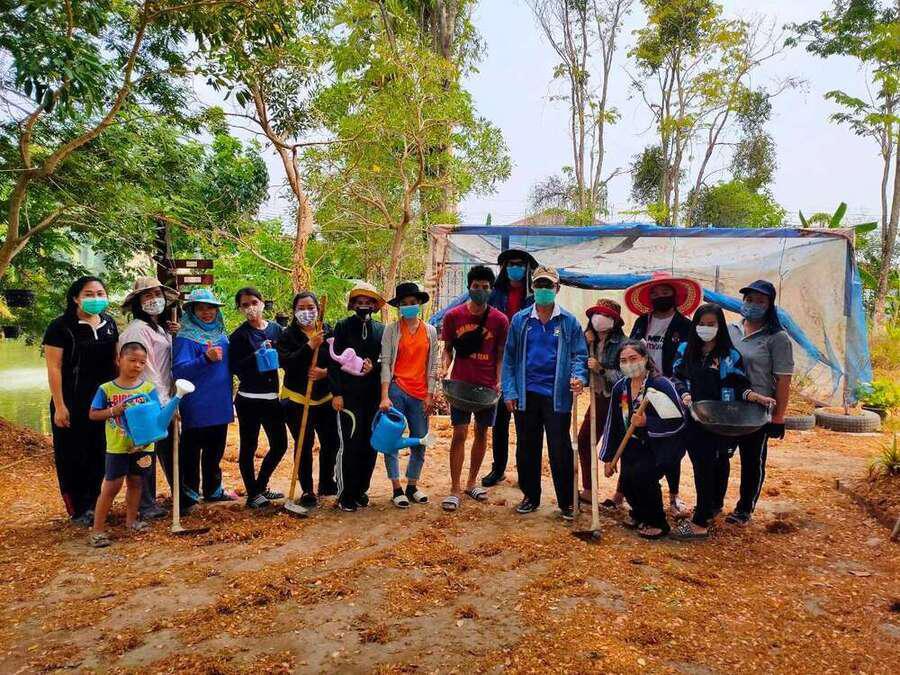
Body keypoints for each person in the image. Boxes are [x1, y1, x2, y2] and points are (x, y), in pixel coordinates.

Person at [670, 304, 774, 539]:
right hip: (695, 417)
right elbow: (676, 377)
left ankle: (700, 522)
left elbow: (739, 385)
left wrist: (755, 397)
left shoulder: (729, 355)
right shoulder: (686, 350)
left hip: (721, 420)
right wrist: (684, 394)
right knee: (702, 465)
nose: (705, 328)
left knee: (715, 464)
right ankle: (708, 509)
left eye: (711, 324)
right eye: (701, 324)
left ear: (720, 327)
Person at [501, 265, 587, 520]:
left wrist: (579, 377)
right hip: (526, 394)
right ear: (533, 288)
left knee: (560, 448)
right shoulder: (520, 320)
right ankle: (530, 496)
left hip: (557, 396)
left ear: (557, 288)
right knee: (527, 447)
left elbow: (579, 355)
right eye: (539, 284)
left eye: (548, 285)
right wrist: (509, 391)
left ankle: (567, 501)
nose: (543, 289)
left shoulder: (569, 321)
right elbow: (509, 358)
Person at [43, 276, 119, 526]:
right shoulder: (60, 327)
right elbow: (54, 367)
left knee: (101, 451)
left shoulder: (109, 323)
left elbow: (116, 360)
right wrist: (60, 405)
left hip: (103, 402)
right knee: (73, 455)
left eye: (100, 293)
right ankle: (78, 508)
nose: (95, 298)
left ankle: (97, 503)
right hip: (72, 401)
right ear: (75, 298)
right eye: (89, 294)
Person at [625, 272, 700, 517]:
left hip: (670, 389)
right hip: (641, 386)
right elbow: (630, 348)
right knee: (637, 437)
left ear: (675, 295)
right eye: (655, 293)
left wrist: (676, 384)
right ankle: (625, 492)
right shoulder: (641, 322)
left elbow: (687, 360)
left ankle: (674, 495)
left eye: (665, 292)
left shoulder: (685, 326)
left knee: (669, 440)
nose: (660, 296)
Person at [599, 340, 686, 539]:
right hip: (632, 444)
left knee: (642, 476)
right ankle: (639, 513)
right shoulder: (620, 388)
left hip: (661, 445)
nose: (629, 364)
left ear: (645, 358)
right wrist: (608, 457)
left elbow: (679, 420)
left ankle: (657, 522)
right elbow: (613, 423)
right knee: (628, 481)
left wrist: (649, 422)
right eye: (623, 361)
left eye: (633, 358)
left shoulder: (660, 385)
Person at [439, 265, 509, 512]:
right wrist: (445, 368)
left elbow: (500, 354)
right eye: (476, 286)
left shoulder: (500, 320)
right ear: (469, 287)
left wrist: (499, 380)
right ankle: (455, 488)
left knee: (482, 432)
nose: (480, 290)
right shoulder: (453, 316)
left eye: (485, 287)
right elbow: (447, 349)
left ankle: (471, 483)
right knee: (459, 433)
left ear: (491, 289)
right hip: (460, 384)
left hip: (487, 386)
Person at [725, 280, 793, 526]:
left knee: (752, 459)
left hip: (758, 410)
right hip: (727, 406)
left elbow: (784, 380)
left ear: (770, 305)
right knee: (720, 456)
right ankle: (713, 502)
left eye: (760, 301)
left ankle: (744, 508)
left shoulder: (777, 338)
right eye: (749, 299)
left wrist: (778, 417)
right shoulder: (731, 330)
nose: (753, 304)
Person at [119, 277, 181, 520]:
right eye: (147, 295)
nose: (154, 299)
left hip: (163, 395)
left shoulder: (159, 327)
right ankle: (145, 505)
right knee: (146, 451)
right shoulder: (137, 330)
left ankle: (173, 497)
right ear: (138, 302)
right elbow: (146, 369)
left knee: (164, 447)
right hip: (147, 399)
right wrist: (166, 403)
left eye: (157, 294)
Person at [87, 342, 159, 547]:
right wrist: (113, 411)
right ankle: (97, 530)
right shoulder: (106, 389)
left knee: (136, 482)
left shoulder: (149, 389)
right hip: (117, 446)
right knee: (112, 486)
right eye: (132, 360)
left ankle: (131, 521)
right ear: (119, 360)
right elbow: (93, 414)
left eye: (142, 362)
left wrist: (149, 437)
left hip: (143, 447)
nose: (137, 365)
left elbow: (155, 417)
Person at [172, 288, 235, 509]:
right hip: (197, 403)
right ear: (191, 311)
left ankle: (213, 490)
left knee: (215, 449)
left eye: (211, 308)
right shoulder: (185, 338)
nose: (207, 312)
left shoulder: (222, 334)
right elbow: (179, 371)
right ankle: (189, 493)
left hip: (220, 401)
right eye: (201, 308)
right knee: (191, 450)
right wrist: (205, 359)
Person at [380, 282, 439, 508]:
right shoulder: (392, 330)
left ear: (419, 304)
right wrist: (384, 395)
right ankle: (396, 488)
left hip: (420, 393)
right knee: (392, 439)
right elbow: (386, 363)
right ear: (399, 307)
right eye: (404, 303)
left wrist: (430, 394)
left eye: (412, 302)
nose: (408, 306)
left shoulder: (430, 331)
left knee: (420, 439)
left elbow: (432, 365)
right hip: (397, 389)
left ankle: (412, 484)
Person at [278, 291, 339, 508]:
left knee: (331, 441)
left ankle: (327, 482)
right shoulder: (287, 335)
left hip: (325, 398)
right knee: (304, 443)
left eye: (310, 308)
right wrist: (309, 346)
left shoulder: (329, 331)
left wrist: (325, 373)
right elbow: (286, 363)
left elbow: (340, 361)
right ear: (294, 311)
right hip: (297, 398)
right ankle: (307, 490)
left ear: (318, 309)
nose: (306, 312)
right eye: (301, 308)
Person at [481, 249, 537, 488]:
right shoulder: (494, 294)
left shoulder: (534, 296)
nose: (515, 268)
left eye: (520, 264)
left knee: (525, 423)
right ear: (504, 268)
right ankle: (498, 468)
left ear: (527, 268)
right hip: (500, 361)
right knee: (499, 421)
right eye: (511, 264)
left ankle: (525, 473)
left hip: (527, 364)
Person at [229, 287, 288, 509]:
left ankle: (261, 485)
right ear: (240, 308)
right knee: (249, 447)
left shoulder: (276, 330)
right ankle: (252, 494)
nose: (251, 308)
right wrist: (255, 356)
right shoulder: (239, 336)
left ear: (262, 303)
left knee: (280, 445)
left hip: (272, 398)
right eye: (245, 305)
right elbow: (235, 367)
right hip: (249, 400)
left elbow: (287, 355)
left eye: (254, 302)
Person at [329, 282, 385, 512]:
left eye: (368, 302)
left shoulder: (381, 330)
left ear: (374, 306)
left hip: (372, 396)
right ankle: (346, 493)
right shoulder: (342, 327)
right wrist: (337, 393)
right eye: (359, 302)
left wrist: (375, 367)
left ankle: (362, 489)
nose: (364, 306)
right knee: (350, 444)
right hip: (348, 396)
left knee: (370, 444)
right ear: (353, 305)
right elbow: (333, 362)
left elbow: (387, 360)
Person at [576, 299, 625, 506]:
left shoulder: (623, 344)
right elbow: (579, 361)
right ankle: (589, 490)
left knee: (623, 446)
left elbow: (624, 377)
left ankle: (620, 494)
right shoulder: (589, 341)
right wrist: (585, 341)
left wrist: (601, 369)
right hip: (597, 398)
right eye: (598, 314)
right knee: (584, 440)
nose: (600, 319)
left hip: (617, 402)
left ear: (614, 321)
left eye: (606, 316)